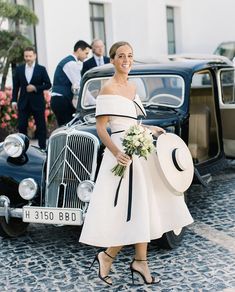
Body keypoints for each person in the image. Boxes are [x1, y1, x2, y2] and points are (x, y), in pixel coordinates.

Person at [79, 41, 193, 286]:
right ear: (112, 60)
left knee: (144, 208)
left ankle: (138, 261)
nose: (126, 60)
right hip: (121, 154)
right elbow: (102, 128)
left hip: (139, 152)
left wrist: (150, 129)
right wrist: (117, 152)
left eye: (130, 55)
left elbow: (132, 123)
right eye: (121, 56)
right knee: (126, 212)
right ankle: (108, 256)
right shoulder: (107, 89)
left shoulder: (133, 86)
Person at [12, 47, 51, 150]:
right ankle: (23, 149)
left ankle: (42, 149)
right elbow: (16, 86)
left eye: (30, 56)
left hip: (37, 102)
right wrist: (14, 101)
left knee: (41, 127)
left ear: (34, 56)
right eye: (26, 56)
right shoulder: (19, 69)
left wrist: (35, 88)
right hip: (23, 103)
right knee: (21, 126)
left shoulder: (41, 69)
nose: (28, 58)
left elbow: (48, 84)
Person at [51, 40, 91, 126]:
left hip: (59, 100)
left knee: (69, 127)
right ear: (79, 50)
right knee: (71, 128)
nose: (87, 56)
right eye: (86, 53)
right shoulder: (71, 63)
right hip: (61, 101)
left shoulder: (68, 61)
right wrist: (93, 102)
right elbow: (80, 85)